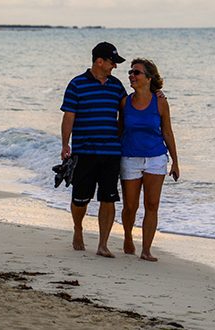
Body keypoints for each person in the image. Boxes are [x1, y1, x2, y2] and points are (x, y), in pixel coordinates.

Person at [60, 41, 127, 258]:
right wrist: (65, 144)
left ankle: (103, 244)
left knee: (108, 198)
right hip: (84, 152)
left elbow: (130, 111)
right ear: (99, 61)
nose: (114, 67)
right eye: (112, 62)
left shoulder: (117, 86)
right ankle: (78, 228)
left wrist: (156, 94)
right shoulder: (76, 84)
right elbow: (69, 116)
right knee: (81, 198)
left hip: (111, 153)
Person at [120, 58, 179, 262]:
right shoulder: (125, 102)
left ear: (149, 78)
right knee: (130, 206)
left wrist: (175, 162)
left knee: (152, 205)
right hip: (130, 158)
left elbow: (168, 132)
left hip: (156, 158)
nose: (131, 76)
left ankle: (146, 249)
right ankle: (128, 236)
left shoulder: (160, 101)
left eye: (136, 72)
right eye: (130, 72)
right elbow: (119, 130)